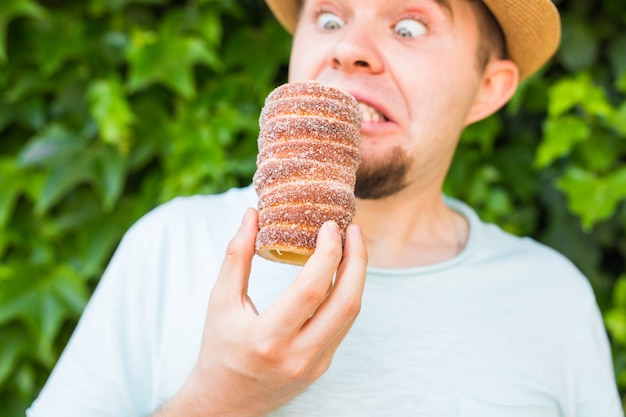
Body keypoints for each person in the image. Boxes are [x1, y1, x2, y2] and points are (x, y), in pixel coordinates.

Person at [27, 0, 622, 415]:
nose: (349, 49)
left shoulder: (553, 298)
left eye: (410, 26)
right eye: (330, 18)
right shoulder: (168, 246)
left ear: (488, 88)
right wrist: (218, 400)